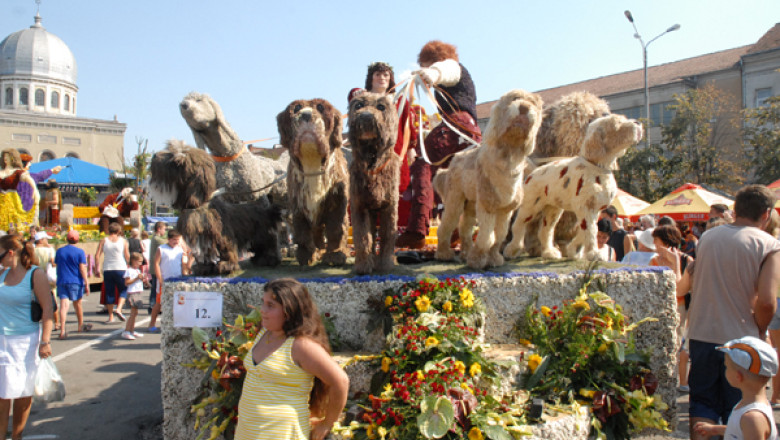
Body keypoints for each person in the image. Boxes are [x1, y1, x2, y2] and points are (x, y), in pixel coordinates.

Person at [687, 185, 780, 439]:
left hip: (701, 332)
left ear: (736, 209)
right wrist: (759, 331)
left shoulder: (707, 238)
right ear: (766, 214)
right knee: (739, 408)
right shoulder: (769, 245)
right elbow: (767, 302)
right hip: (741, 339)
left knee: (702, 402)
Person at [234, 278, 349, 440]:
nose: (263, 310)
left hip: (282, 433)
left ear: (289, 312)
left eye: (271, 306)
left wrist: (327, 423)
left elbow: (341, 381)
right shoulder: (264, 332)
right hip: (248, 431)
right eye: (263, 303)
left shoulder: (301, 346)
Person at [396, 40, 482, 249]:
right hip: (470, 131)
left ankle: (417, 229)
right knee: (450, 178)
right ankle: (455, 230)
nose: (424, 69)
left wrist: (432, 74)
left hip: (456, 125)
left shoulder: (451, 67)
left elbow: (447, 68)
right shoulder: (459, 78)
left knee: (421, 164)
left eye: (426, 64)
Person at [349, 61, 421, 229]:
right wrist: (355, 92)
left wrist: (411, 150)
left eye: (386, 75)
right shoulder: (361, 98)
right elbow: (353, 102)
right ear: (371, 78)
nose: (382, 78)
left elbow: (407, 125)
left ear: (391, 79)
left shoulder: (399, 100)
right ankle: (365, 231)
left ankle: (395, 230)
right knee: (365, 189)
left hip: (395, 152)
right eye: (378, 75)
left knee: (396, 189)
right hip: (367, 153)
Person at [0, 234, 53, 440]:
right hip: (1, 341)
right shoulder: (2, 274)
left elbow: (47, 309)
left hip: (24, 343)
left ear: (10, 253)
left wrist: (45, 341)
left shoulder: (35, 274)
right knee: (2, 395)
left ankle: (17, 436)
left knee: (22, 393)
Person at [693, 336, 778, 440]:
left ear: (738, 376)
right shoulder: (750, 405)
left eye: (727, 367)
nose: (725, 370)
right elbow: (740, 430)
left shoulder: (752, 417)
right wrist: (716, 429)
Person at [148, 229, 191, 333]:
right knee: (159, 303)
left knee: (179, 302)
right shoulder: (161, 249)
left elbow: (184, 264)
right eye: (174, 240)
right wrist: (160, 278)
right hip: (165, 279)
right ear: (169, 239)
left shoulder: (180, 249)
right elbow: (156, 264)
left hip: (178, 279)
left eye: (178, 240)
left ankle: (176, 324)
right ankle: (152, 323)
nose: (176, 242)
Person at [54, 229, 91, 339]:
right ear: (77, 239)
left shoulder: (59, 251)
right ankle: (80, 325)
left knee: (64, 306)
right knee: (77, 304)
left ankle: (63, 330)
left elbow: (56, 264)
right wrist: (87, 282)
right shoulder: (80, 252)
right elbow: (82, 268)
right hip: (75, 280)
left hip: (62, 280)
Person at [95, 222, 129, 323]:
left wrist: (97, 268)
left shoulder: (104, 240)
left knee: (109, 293)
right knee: (124, 289)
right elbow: (127, 256)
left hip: (108, 269)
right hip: (120, 268)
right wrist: (131, 266)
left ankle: (110, 316)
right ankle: (119, 308)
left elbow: (97, 255)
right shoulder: (123, 241)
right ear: (119, 231)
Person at [0, 149, 39, 230]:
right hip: (1, 199)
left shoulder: (17, 172)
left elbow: (29, 180)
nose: (5, 159)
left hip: (12, 200)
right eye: (4, 157)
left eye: (7, 157)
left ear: (13, 158)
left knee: (12, 221)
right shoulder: (1, 172)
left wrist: (35, 192)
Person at [33, 231, 58, 330]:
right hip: (47, 278)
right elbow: (53, 263)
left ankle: (40, 320)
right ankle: (56, 322)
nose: (47, 240)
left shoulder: (33, 250)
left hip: (35, 277)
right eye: (46, 239)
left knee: (37, 300)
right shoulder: (50, 250)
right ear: (41, 240)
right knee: (52, 301)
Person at [121, 253, 146, 341]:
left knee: (135, 313)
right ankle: (127, 331)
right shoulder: (129, 270)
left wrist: (143, 279)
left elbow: (139, 280)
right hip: (132, 292)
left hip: (138, 291)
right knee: (132, 313)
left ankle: (131, 330)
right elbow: (127, 282)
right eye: (139, 261)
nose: (140, 263)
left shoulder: (137, 270)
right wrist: (136, 278)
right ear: (133, 261)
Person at [147, 221, 167, 314]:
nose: (164, 231)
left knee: (155, 288)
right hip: (156, 269)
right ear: (159, 229)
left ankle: (153, 305)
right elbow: (166, 242)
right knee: (156, 288)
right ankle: (152, 305)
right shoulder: (156, 239)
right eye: (164, 229)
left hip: (154, 268)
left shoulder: (154, 238)